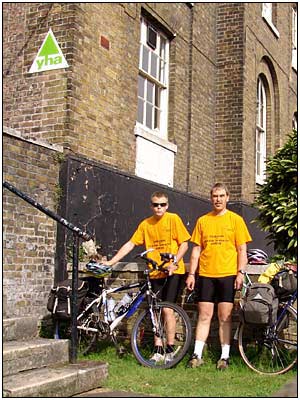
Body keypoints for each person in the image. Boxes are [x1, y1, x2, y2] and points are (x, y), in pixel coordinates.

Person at [105, 191, 191, 362]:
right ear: (151, 206)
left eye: (163, 205)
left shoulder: (173, 219)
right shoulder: (145, 224)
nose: (159, 208)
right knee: (155, 310)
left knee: (168, 309)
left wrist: (175, 262)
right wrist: (111, 262)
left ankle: (170, 348)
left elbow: (184, 244)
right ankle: (158, 348)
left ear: (167, 205)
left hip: (172, 272)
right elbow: (131, 244)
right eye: (156, 205)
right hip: (154, 272)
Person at [186, 183, 252, 370]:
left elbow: (242, 250)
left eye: (221, 196)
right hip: (206, 274)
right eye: (215, 196)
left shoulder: (236, 220)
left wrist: (240, 272)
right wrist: (192, 274)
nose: (218, 199)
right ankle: (197, 354)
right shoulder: (203, 221)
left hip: (228, 274)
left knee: (225, 316)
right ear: (211, 198)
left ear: (228, 197)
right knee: (205, 315)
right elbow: (196, 250)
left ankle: (224, 357)